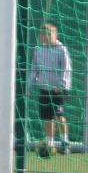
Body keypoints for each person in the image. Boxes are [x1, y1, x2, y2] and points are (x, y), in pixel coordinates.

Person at [30, 23, 73, 158]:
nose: (46, 37)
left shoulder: (61, 49)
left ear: (55, 35)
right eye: (43, 34)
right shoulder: (39, 50)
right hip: (44, 88)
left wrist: (61, 85)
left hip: (58, 90)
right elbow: (34, 69)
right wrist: (30, 86)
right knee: (47, 117)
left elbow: (66, 68)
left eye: (49, 34)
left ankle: (65, 143)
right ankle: (50, 144)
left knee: (58, 115)